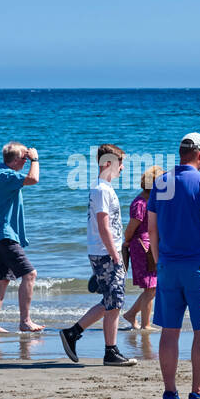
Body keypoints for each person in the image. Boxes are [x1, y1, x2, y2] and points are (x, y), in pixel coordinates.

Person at [147, 132, 200, 399]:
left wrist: (159, 260)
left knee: (170, 330)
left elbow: (152, 229)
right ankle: (198, 393)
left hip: (169, 265)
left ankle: (170, 394)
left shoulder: (161, 182)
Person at [59, 145, 138, 367]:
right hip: (105, 253)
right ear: (107, 164)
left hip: (103, 252)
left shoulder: (103, 188)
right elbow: (103, 226)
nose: (122, 168)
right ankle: (110, 351)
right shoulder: (102, 190)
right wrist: (115, 255)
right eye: (119, 163)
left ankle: (73, 333)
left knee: (111, 301)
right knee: (115, 302)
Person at [0, 142, 43, 333]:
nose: (26, 162)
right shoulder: (6, 175)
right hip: (4, 235)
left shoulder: (1, 174)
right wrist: (35, 159)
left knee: (2, 280)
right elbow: (33, 179)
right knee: (30, 274)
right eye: (24, 159)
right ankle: (25, 321)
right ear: (17, 160)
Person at [122, 164, 163, 330]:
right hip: (142, 247)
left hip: (151, 245)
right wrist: (126, 242)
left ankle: (131, 314)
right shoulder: (140, 203)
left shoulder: (152, 200)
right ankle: (145, 324)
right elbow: (131, 228)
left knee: (152, 287)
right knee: (151, 287)